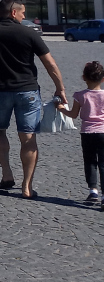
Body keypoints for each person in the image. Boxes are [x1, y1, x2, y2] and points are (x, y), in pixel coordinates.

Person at [0, 0, 66, 199]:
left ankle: (7, 174)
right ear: (13, 12)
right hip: (27, 91)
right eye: (23, 12)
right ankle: (27, 186)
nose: (25, 15)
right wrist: (60, 88)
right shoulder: (28, 33)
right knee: (28, 138)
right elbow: (50, 63)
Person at [58, 60, 104, 204]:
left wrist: (60, 109)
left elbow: (73, 114)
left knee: (90, 162)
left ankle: (93, 191)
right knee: (103, 163)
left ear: (84, 77)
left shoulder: (80, 95)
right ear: (103, 79)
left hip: (87, 133)